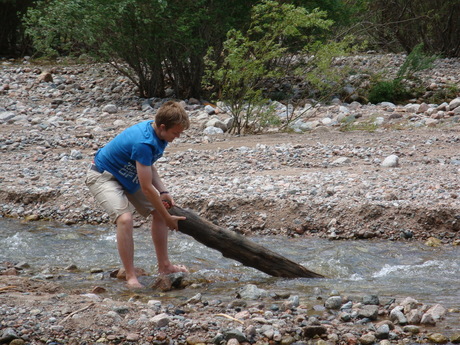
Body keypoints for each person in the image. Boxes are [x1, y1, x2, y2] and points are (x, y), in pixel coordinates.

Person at [85, 101, 190, 289]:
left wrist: (164, 192)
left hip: (127, 176)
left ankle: (165, 266)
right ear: (163, 126)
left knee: (159, 211)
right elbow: (147, 188)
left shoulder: (160, 135)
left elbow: (148, 166)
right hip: (103, 176)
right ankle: (131, 276)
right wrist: (168, 218)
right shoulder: (144, 142)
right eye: (176, 132)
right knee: (125, 219)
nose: (178, 136)